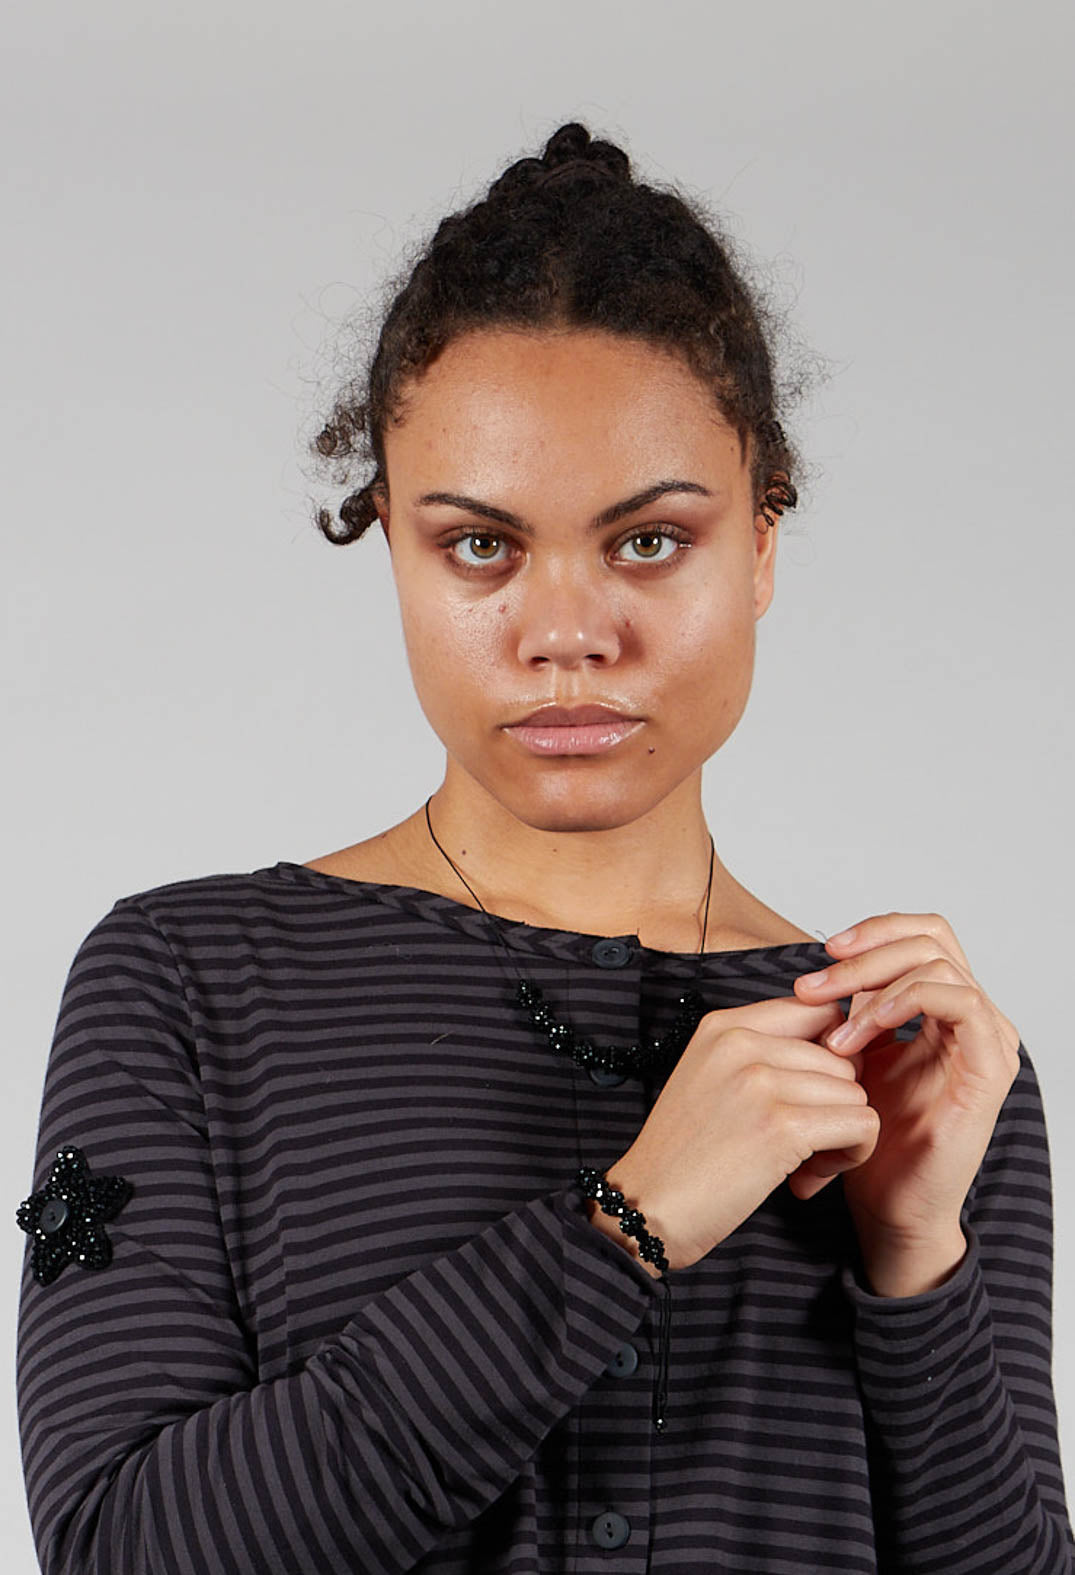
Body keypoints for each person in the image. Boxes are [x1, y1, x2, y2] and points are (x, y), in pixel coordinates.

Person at [15, 120, 1072, 1575]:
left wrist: (915, 1267)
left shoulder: (916, 1067)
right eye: (479, 546)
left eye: (649, 542)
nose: (567, 633)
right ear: (387, 539)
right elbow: (120, 1549)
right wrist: (623, 1226)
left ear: (760, 545)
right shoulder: (187, 987)